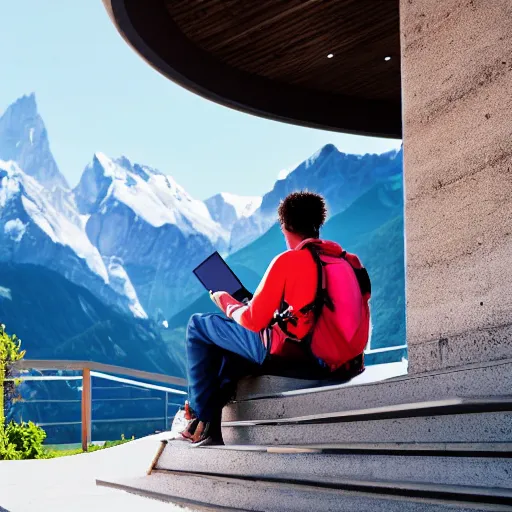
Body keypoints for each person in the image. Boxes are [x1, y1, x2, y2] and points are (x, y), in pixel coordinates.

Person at [178, 191, 369, 446]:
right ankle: (205, 421)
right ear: (318, 223)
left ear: (285, 226)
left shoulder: (289, 261)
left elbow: (253, 321)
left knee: (198, 326)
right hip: (344, 362)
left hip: (297, 356)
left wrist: (226, 302)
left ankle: (200, 419)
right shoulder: (349, 261)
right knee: (230, 355)